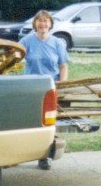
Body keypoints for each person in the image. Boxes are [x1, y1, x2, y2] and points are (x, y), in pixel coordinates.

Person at [19, 10, 69, 170]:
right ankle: (20, 155)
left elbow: (63, 66)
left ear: (50, 24)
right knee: (29, 122)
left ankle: (44, 157)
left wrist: (62, 85)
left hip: (50, 88)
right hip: (30, 88)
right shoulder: (26, 41)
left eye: (46, 21)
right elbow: (14, 58)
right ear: (34, 24)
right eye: (40, 21)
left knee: (47, 124)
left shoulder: (57, 43)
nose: (43, 24)